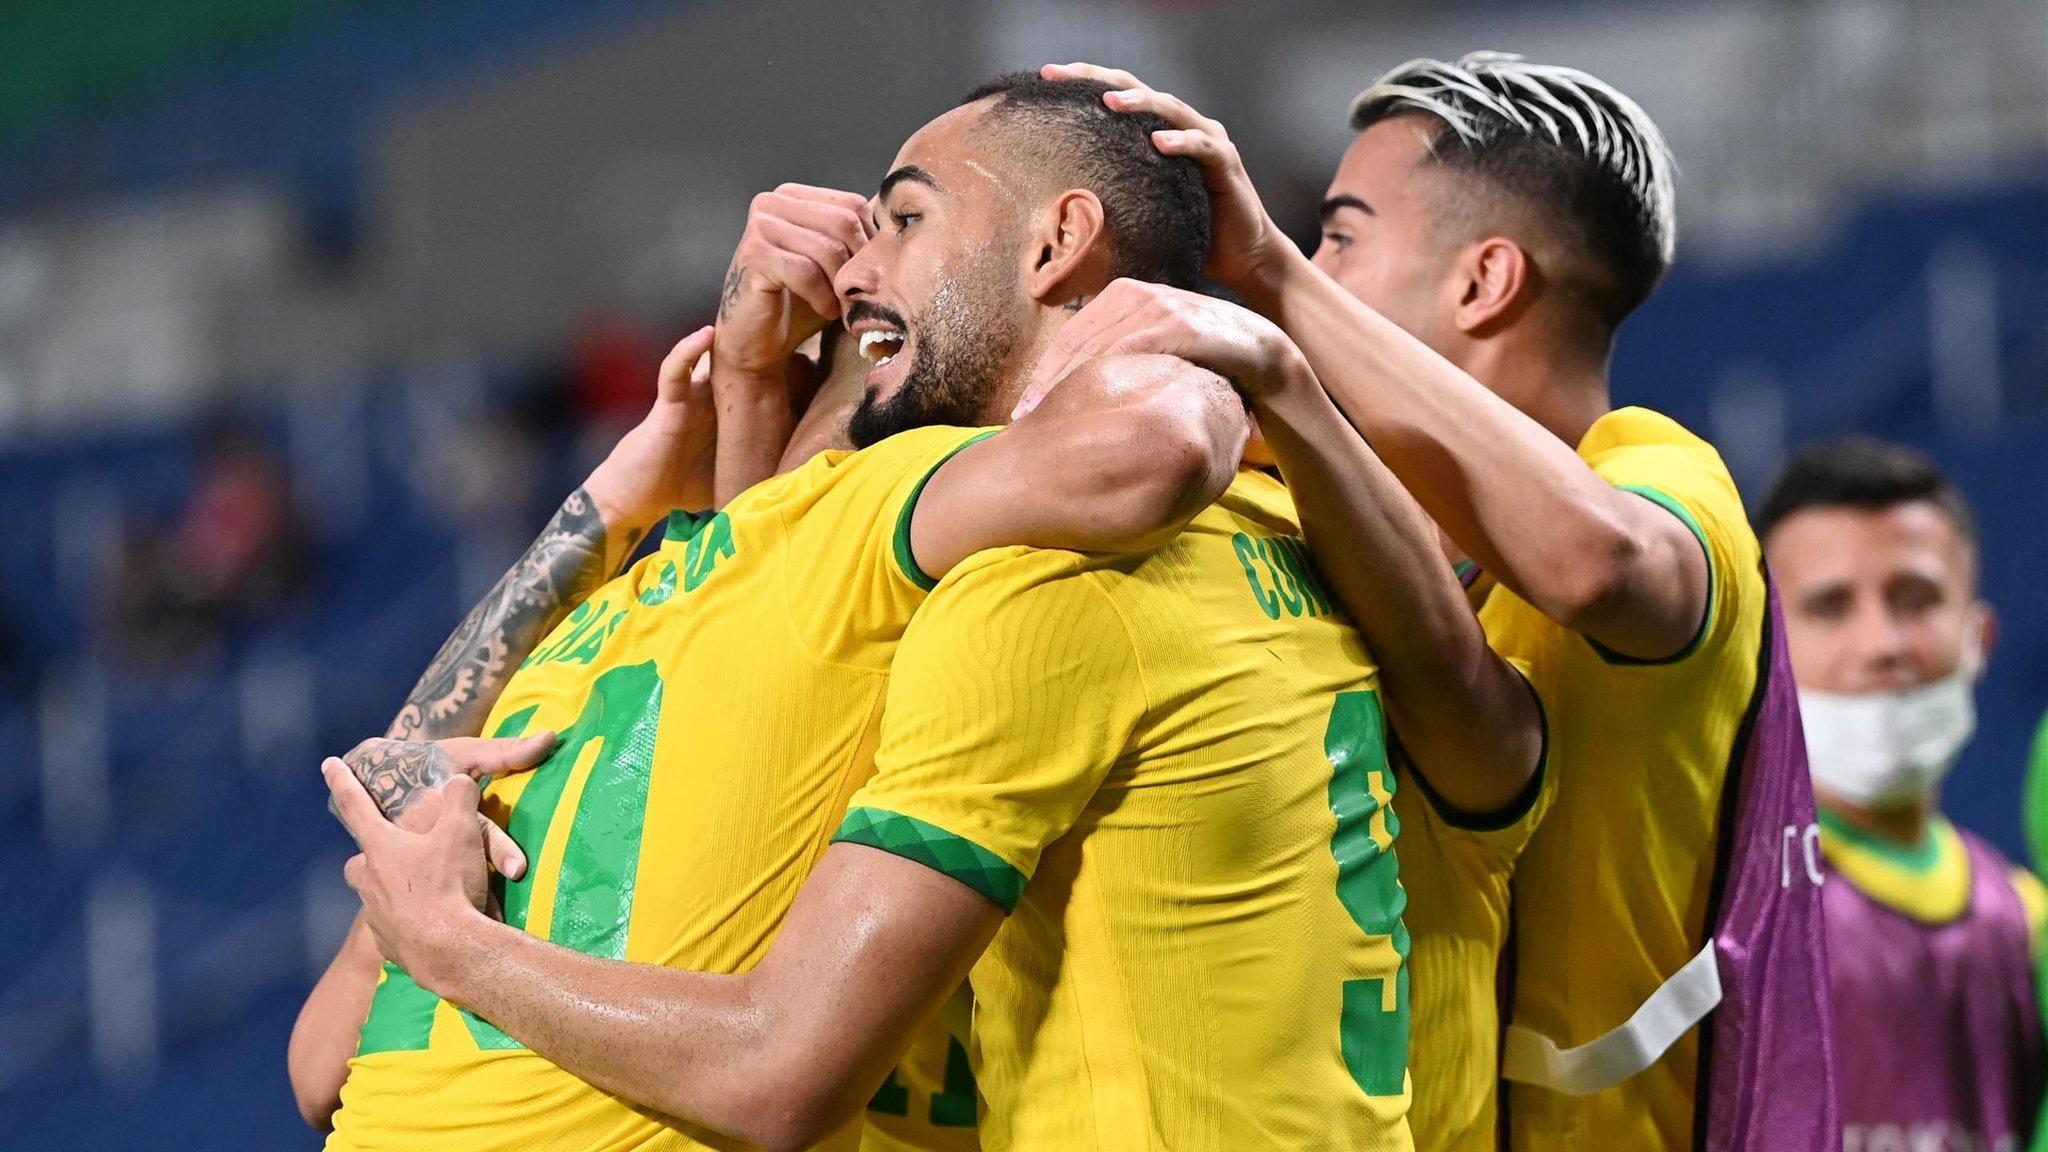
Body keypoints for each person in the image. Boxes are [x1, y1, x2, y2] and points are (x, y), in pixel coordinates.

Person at [323, 72, 1542, 1152]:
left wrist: (451, 943)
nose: (851, 271)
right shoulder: (1339, 554)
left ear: (1056, 242)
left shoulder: (1037, 586)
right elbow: (775, 595)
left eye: (903, 220)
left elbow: (776, 1067)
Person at [293, 146, 1252, 1150]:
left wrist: (1239, 349)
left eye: (900, 230)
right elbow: (320, 1062)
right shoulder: (631, 602)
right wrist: (625, 488)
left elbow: (1150, 449)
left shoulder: (858, 521)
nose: (849, 275)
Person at [1041, 52, 1835, 1151]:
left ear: (1483, 282)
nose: (1302, 266)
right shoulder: (1325, 499)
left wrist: (1275, 282)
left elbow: (1597, 563)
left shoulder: (1657, 476)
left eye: (1338, 238)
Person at [1760, 436, 2045, 1152]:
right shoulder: (1715, 899)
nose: (1882, 644)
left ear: (1979, 638)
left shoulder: (2028, 927)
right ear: (1762, 648)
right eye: (1830, 606)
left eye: (1915, 599)